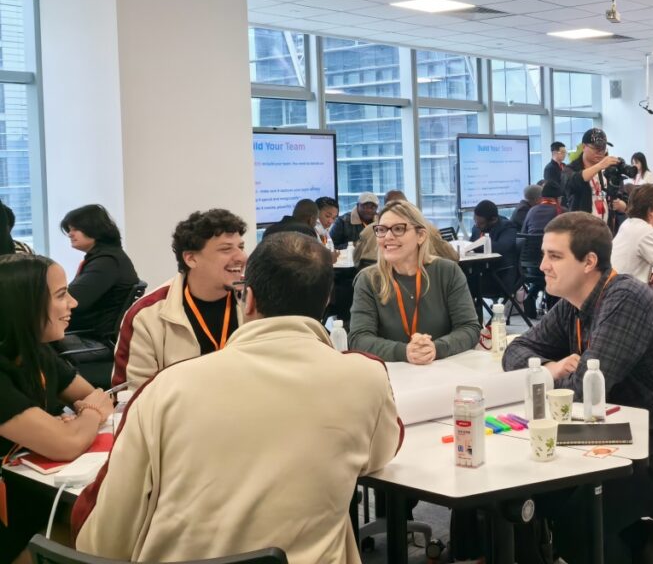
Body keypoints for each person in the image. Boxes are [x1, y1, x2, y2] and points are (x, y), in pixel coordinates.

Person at [73, 233, 401, 563]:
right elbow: (379, 454)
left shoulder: (165, 389)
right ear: (327, 299)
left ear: (249, 298)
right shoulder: (366, 377)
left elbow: (103, 537)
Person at [502, 212, 653, 563]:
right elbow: (515, 351)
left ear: (589, 262)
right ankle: (642, 542)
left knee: (576, 526)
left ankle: (637, 547)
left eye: (554, 256)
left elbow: (581, 395)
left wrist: (550, 379)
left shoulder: (624, 299)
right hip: (619, 434)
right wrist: (550, 369)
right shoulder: (575, 303)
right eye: (543, 255)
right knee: (528, 493)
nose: (542, 266)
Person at [0, 254, 114, 563]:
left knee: (108, 529)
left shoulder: (36, 351)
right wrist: (87, 416)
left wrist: (79, 418)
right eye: (62, 295)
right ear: (24, 306)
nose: (73, 303)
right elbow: (67, 443)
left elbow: (98, 396)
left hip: (31, 494)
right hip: (10, 516)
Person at [112, 209, 247, 388]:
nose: (242, 257)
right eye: (226, 249)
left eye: (241, 247)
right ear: (191, 259)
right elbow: (131, 393)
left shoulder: (260, 300)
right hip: (180, 406)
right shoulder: (146, 315)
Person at [349, 200, 480, 364]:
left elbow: (470, 328)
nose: (387, 237)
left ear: (421, 236)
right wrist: (404, 351)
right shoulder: (368, 280)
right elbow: (359, 339)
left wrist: (435, 348)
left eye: (398, 229)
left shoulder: (447, 272)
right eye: (381, 230)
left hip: (443, 369)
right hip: (392, 374)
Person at [59, 205, 139, 335]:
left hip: (90, 334)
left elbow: (73, 302)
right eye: (69, 229)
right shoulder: (107, 257)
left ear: (94, 228)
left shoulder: (107, 262)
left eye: (75, 229)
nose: (70, 234)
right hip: (90, 331)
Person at [351, 191, 459, 265]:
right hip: (421, 285)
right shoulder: (427, 229)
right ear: (408, 205)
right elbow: (453, 257)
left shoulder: (367, 231)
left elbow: (356, 261)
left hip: (375, 286)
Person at [611, 184, 653, 283]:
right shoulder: (646, 232)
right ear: (651, 210)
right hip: (626, 291)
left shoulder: (629, 223)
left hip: (615, 287)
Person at [560, 129, 627, 222]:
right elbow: (573, 181)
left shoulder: (610, 169)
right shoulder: (571, 169)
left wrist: (621, 205)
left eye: (603, 148)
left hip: (606, 227)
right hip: (581, 226)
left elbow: (624, 200)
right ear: (584, 147)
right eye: (596, 148)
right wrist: (599, 166)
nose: (600, 152)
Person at [470, 199, 518, 293]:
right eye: (475, 221)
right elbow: (470, 245)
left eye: (481, 223)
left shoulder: (507, 227)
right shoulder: (476, 228)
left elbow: (502, 247)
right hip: (480, 273)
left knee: (464, 283)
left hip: (499, 276)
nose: (477, 225)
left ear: (493, 220)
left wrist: (477, 245)